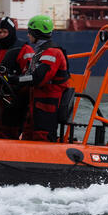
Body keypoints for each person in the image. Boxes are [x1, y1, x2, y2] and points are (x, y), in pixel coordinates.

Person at [10, 14, 72, 142]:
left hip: (47, 106)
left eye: (30, 32)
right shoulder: (41, 53)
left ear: (37, 33)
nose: (28, 35)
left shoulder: (52, 53)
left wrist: (16, 80)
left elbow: (38, 78)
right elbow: (29, 75)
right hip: (37, 104)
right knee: (28, 135)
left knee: (42, 136)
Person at [0, 16, 34, 139]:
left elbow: (30, 74)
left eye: (4, 32)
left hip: (14, 98)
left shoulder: (24, 49)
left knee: (9, 129)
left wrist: (14, 81)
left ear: (11, 32)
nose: (1, 35)